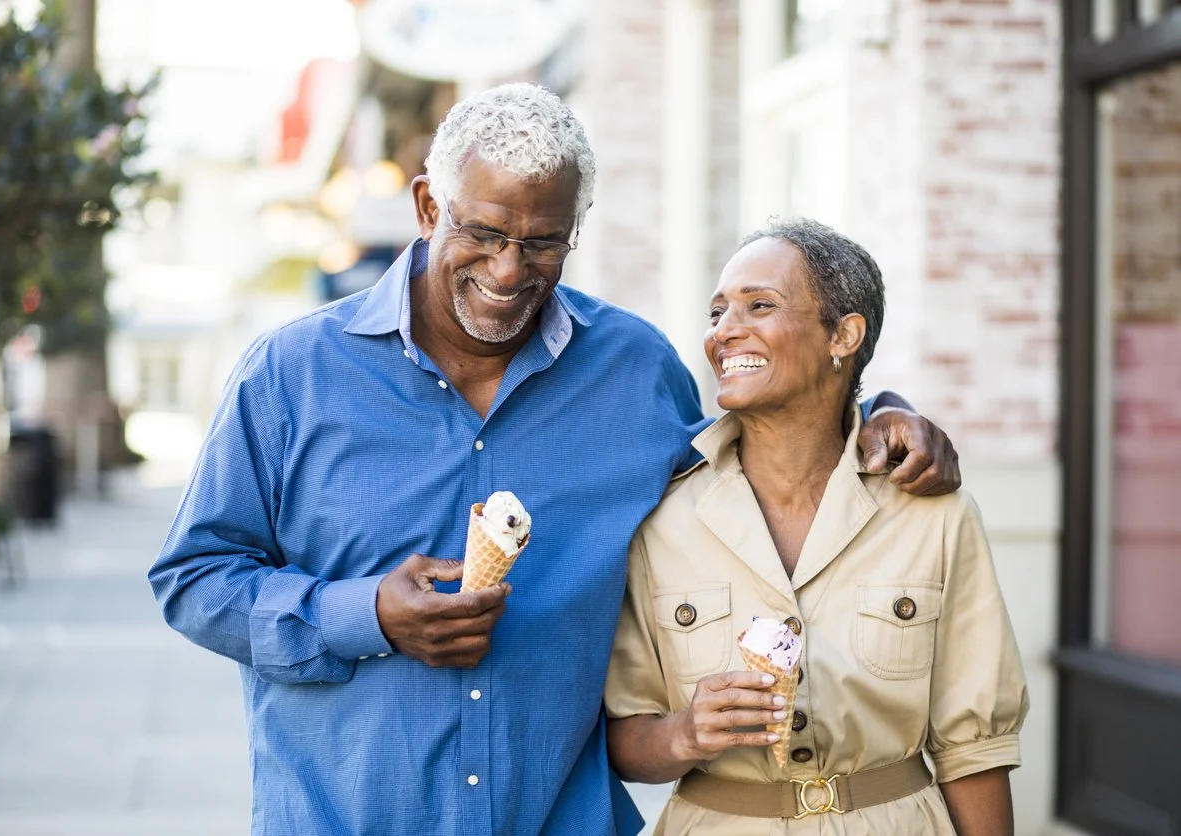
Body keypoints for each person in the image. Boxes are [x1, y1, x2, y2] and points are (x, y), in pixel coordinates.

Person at [148, 85, 963, 835]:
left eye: (542, 243)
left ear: (575, 230)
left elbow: (758, 463)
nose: (509, 270)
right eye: (484, 232)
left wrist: (876, 409)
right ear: (429, 207)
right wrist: (365, 615)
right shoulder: (293, 373)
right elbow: (192, 578)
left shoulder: (633, 371)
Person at [604, 218, 1028, 835]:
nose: (725, 330)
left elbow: (975, 751)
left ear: (843, 335)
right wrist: (684, 733)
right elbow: (622, 736)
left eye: (760, 305)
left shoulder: (933, 514)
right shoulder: (662, 518)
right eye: (717, 311)